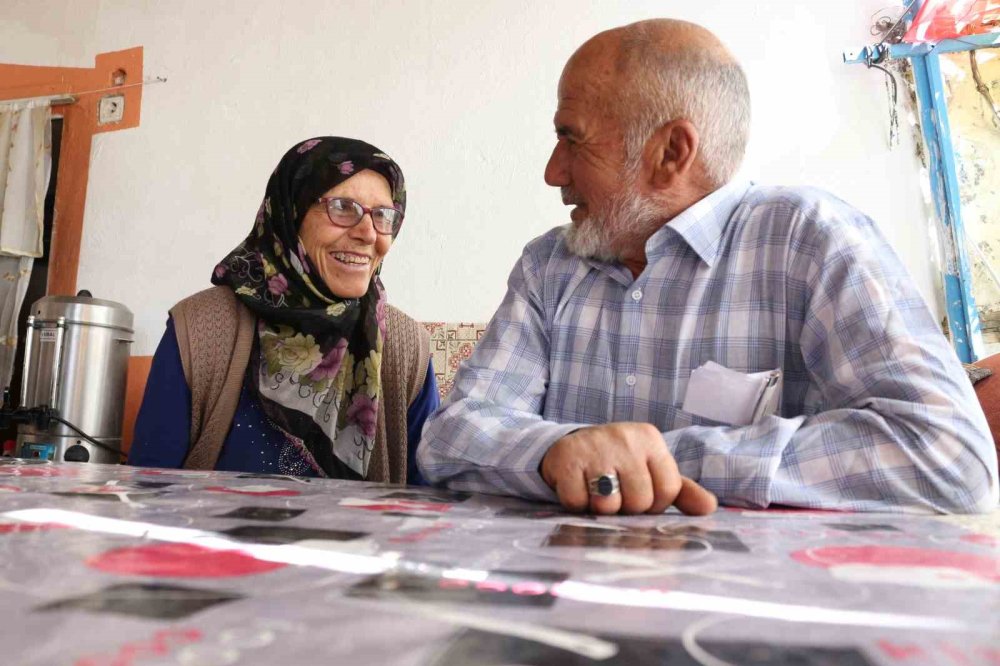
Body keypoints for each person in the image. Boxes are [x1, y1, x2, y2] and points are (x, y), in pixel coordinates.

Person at [417, 19, 998, 514]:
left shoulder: (810, 239)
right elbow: (450, 437)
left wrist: (660, 462)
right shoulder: (550, 265)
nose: (553, 171)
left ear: (671, 152)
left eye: (572, 139)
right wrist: (557, 451)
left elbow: (949, 459)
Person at [130, 137, 438, 483]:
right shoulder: (201, 330)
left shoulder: (405, 347)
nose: (368, 234)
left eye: (384, 215)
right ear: (291, 213)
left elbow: (430, 502)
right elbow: (148, 490)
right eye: (342, 207)